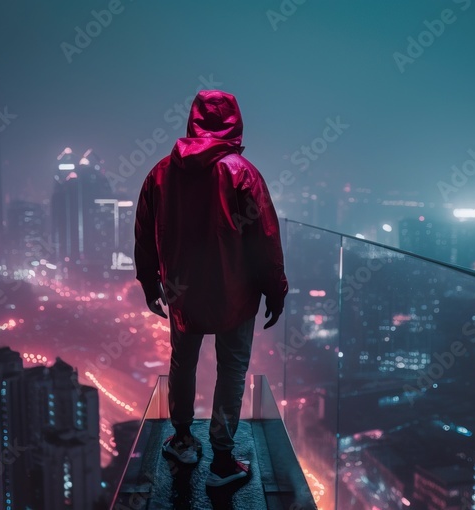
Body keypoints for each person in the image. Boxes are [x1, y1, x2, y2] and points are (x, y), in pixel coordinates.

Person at [133, 89, 289, 487]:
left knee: (182, 363)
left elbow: (145, 233)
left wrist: (149, 281)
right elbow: (265, 238)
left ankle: (183, 439)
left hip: (181, 291)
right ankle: (222, 459)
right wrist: (275, 289)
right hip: (236, 293)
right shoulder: (243, 173)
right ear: (235, 123)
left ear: (192, 120)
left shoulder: (161, 173)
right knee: (231, 370)